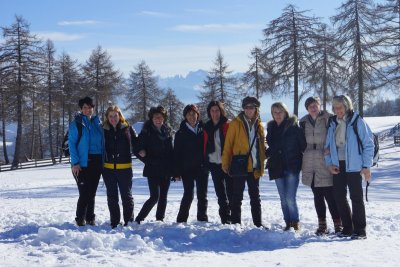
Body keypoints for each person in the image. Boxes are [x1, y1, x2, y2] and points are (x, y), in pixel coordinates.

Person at [325, 95, 374, 240]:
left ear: (347, 106)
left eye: (340, 107)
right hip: (337, 164)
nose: (337, 110)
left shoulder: (356, 121)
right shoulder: (333, 122)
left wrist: (366, 166)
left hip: (354, 165)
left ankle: (360, 230)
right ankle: (347, 228)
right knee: (339, 196)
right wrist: (329, 164)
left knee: (356, 198)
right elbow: (327, 147)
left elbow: (368, 144)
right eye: (335, 107)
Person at [221, 96, 266, 228]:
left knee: (255, 197)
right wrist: (225, 163)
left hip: (254, 166)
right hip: (239, 165)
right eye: (246, 108)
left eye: (251, 108)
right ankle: (236, 223)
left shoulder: (259, 124)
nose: (249, 110)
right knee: (237, 197)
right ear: (243, 109)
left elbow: (261, 145)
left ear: (256, 109)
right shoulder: (236, 123)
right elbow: (228, 144)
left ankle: (258, 223)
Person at [300, 97, 341, 235]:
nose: (313, 108)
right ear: (307, 108)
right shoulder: (303, 122)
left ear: (319, 105)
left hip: (325, 159)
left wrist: (332, 147)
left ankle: (338, 224)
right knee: (317, 195)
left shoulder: (329, 118)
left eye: (315, 105)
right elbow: (300, 141)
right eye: (310, 106)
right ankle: (322, 225)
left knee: (330, 195)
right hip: (309, 160)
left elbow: (337, 135)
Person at [266, 102, 306, 231]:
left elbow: (303, 146)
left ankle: (295, 222)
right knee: (283, 198)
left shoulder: (294, 127)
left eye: (280, 112)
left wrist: (299, 162)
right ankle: (287, 222)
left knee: (290, 197)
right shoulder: (271, 128)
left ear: (285, 112)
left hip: (292, 166)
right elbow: (271, 147)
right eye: (275, 112)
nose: (277, 115)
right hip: (277, 166)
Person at [134, 106, 173, 224]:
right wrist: (144, 156)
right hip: (153, 168)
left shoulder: (167, 131)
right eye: (155, 117)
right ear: (151, 118)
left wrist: (174, 168)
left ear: (164, 118)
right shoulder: (146, 131)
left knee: (163, 196)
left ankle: (160, 219)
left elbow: (171, 150)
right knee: (155, 196)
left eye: (160, 117)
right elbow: (136, 149)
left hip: (166, 168)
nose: (158, 119)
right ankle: (139, 218)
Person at [69, 96, 104, 226]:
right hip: (81, 163)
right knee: (84, 192)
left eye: (90, 107)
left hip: (97, 162)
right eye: (85, 107)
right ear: (81, 109)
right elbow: (72, 144)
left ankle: (90, 218)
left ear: (93, 109)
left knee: (92, 193)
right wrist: (75, 163)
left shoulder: (98, 123)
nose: (87, 110)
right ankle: (80, 219)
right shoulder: (76, 124)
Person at [173, 104, 208, 223]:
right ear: (185, 116)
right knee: (188, 194)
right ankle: (181, 220)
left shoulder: (204, 130)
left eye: (194, 114)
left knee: (202, 195)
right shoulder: (180, 133)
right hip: (187, 169)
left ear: (198, 115)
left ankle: (202, 218)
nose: (192, 116)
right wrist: (176, 172)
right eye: (189, 114)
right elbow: (176, 154)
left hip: (202, 167)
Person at [102, 105, 136, 228]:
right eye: (110, 116)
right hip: (108, 169)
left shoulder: (128, 128)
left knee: (126, 196)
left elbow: (137, 144)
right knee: (112, 197)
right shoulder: (103, 130)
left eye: (115, 116)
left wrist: (143, 151)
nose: (113, 118)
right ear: (107, 118)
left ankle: (129, 221)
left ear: (120, 116)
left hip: (125, 169)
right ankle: (115, 222)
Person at [203, 101, 232, 224]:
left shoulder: (228, 125)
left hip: (228, 163)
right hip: (214, 164)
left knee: (231, 192)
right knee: (220, 194)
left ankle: (234, 217)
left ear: (221, 111)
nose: (215, 113)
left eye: (217, 110)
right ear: (209, 112)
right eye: (212, 111)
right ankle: (225, 218)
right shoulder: (206, 126)